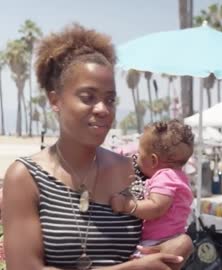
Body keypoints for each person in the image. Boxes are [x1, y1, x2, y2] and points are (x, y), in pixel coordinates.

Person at [2, 24, 192, 270]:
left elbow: (170, 223)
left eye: (110, 99)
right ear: (55, 100)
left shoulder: (135, 171)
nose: (103, 109)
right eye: (88, 97)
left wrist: (182, 242)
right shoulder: (25, 177)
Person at [110, 120, 194, 270]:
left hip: (158, 241)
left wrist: (127, 205)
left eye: (140, 154)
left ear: (153, 160)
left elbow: (156, 208)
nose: (136, 157)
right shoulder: (178, 176)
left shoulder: (165, 177)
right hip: (166, 238)